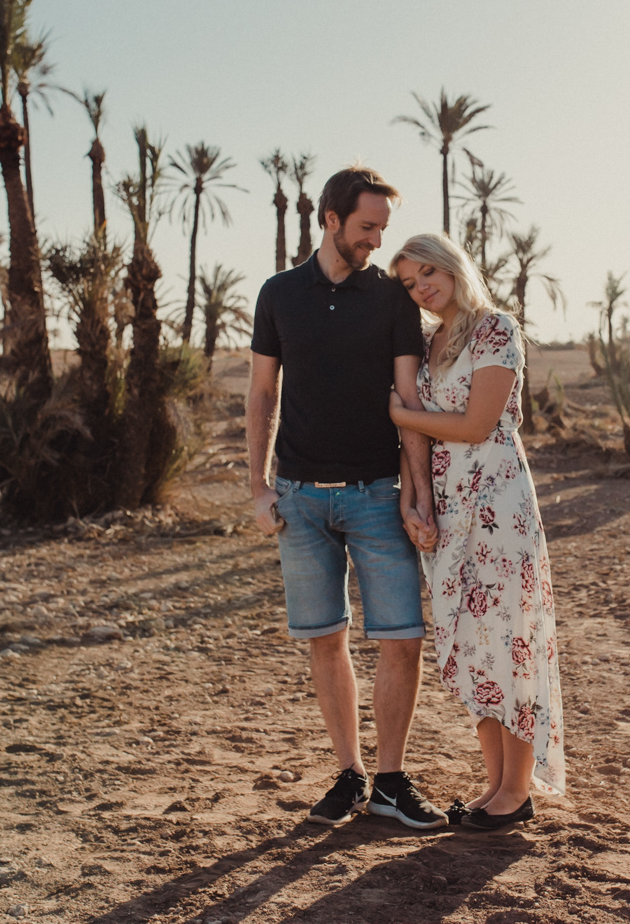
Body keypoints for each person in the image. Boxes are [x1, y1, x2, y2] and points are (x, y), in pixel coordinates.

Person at [246, 166, 448, 830]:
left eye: (381, 229)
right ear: (329, 219)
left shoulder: (391, 300)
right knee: (325, 638)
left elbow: (410, 403)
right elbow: (262, 394)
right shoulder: (278, 295)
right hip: (300, 499)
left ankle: (390, 778)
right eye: (367, 227)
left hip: (375, 493)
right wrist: (257, 482)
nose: (375, 241)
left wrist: (416, 494)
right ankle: (349, 774)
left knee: (403, 636)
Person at [387, 233, 566, 829]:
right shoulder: (426, 340)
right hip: (450, 506)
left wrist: (397, 411)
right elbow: (427, 435)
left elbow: (476, 422)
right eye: (410, 283)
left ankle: (516, 788)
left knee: (507, 636)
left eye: (428, 273)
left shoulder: (496, 329)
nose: (423, 288)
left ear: (452, 265)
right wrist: (416, 499)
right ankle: (496, 787)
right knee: (472, 643)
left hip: (498, 505)